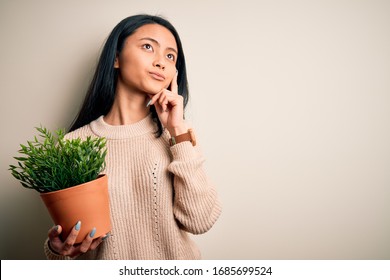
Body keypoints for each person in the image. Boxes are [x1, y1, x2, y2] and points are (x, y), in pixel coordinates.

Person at [44, 14, 222, 260]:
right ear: (116, 58)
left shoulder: (178, 136)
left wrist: (177, 131)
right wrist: (57, 250)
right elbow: (71, 243)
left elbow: (200, 220)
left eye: (171, 56)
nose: (161, 62)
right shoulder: (72, 145)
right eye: (148, 47)